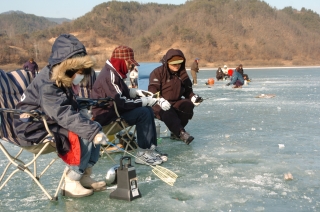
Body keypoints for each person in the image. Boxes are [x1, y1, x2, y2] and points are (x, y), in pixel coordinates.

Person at [14, 34, 108, 198]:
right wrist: (91, 132)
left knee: (94, 126)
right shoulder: (48, 84)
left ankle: (85, 175)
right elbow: (62, 113)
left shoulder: (61, 77)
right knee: (84, 132)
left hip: (48, 119)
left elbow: (63, 106)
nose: (79, 76)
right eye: (78, 72)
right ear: (66, 67)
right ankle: (72, 180)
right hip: (32, 127)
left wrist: (91, 124)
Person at [91, 45, 168, 165]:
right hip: (107, 116)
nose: (131, 67)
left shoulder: (114, 73)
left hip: (116, 111)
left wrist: (137, 93)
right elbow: (122, 102)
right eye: (129, 64)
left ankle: (150, 149)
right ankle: (143, 154)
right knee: (143, 112)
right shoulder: (109, 76)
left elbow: (122, 93)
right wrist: (145, 101)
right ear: (121, 62)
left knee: (147, 109)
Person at [148, 49, 203, 145]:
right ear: (167, 63)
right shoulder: (157, 73)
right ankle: (181, 133)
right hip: (158, 103)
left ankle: (175, 132)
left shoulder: (183, 74)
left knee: (187, 104)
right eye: (174, 64)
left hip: (176, 101)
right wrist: (160, 100)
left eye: (179, 63)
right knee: (167, 109)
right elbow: (152, 90)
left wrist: (193, 97)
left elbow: (188, 91)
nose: (177, 66)